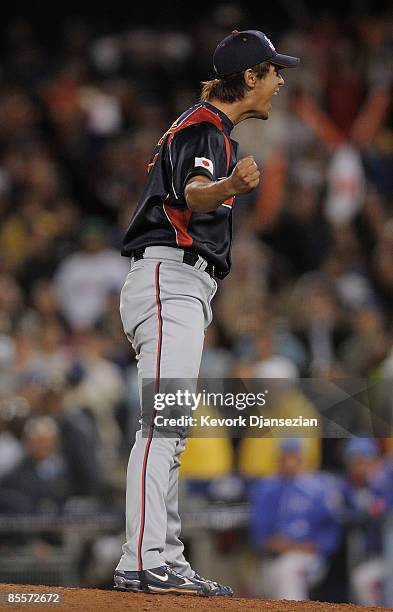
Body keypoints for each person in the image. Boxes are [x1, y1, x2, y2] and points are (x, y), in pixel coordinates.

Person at [114, 30, 300, 597]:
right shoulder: (205, 127)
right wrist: (226, 186)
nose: (280, 80)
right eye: (272, 71)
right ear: (249, 77)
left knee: (173, 424)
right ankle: (142, 558)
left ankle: (162, 553)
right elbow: (193, 194)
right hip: (170, 279)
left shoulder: (206, 127)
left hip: (175, 284)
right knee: (164, 424)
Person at [249, 439, 342, 601]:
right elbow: (260, 535)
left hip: (309, 559)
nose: (290, 463)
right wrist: (277, 544)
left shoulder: (319, 488)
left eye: (295, 458)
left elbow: (331, 531)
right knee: (268, 582)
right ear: (279, 459)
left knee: (288, 569)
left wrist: (310, 546)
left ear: (303, 459)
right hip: (273, 558)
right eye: (286, 457)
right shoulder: (267, 489)